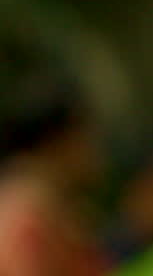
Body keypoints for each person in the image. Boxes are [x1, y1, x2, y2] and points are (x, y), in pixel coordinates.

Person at [0, 54, 112, 276]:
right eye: (85, 137)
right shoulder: (25, 219)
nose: (95, 149)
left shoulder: (49, 202)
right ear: (57, 143)